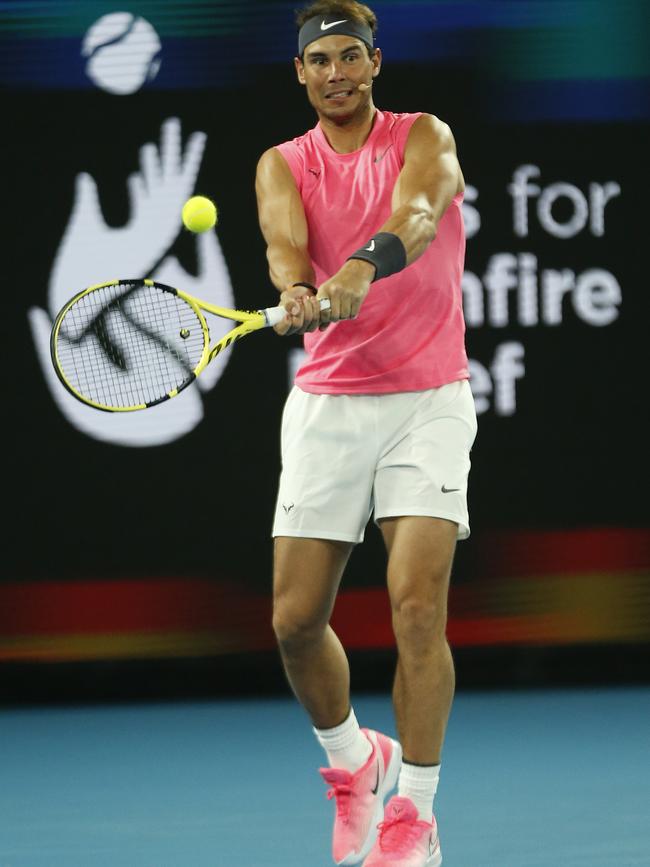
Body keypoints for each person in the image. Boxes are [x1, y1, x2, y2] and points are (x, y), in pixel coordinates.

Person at [254, 2, 476, 865]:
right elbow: (283, 246)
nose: (337, 73)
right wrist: (299, 287)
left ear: (375, 64)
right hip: (328, 407)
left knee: (417, 606)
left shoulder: (424, 135)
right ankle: (355, 763)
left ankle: (414, 814)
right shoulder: (281, 164)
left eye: (352, 57)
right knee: (294, 621)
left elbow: (418, 217)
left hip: (429, 400)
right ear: (301, 75)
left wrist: (362, 263)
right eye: (321, 62)